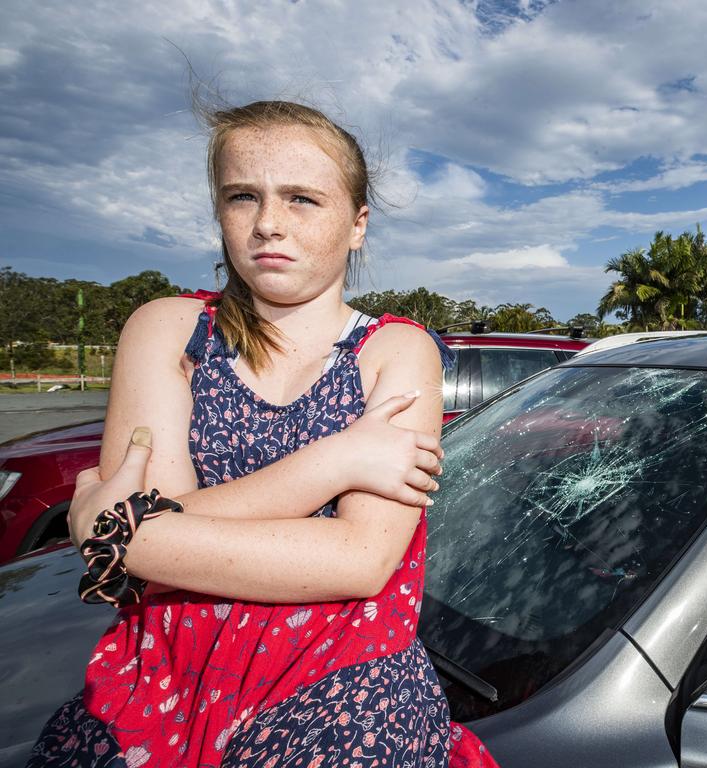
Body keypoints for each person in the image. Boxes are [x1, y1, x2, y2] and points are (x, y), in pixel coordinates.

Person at [29, 100, 497, 768]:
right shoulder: (167, 327)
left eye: (303, 199)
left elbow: (358, 561)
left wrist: (128, 531)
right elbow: (129, 547)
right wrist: (336, 461)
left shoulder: (396, 349)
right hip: (162, 675)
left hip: (340, 686)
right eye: (243, 195)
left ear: (357, 224)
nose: (269, 223)